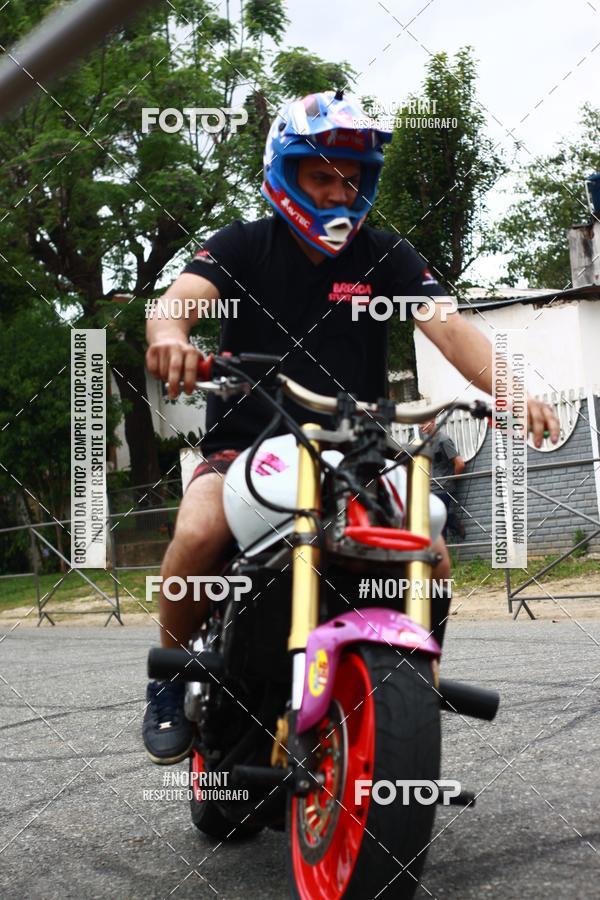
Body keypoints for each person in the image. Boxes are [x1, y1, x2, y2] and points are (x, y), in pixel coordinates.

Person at [142, 90, 560, 764]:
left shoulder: (386, 256)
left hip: (352, 449)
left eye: (351, 178)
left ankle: (406, 694)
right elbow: (177, 304)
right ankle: (168, 677)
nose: (338, 192)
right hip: (245, 447)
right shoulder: (243, 246)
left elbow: (451, 331)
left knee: (431, 550)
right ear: (286, 173)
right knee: (197, 531)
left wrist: (517, 391)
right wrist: (169, 339)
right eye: (321, 176)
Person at [419, 418, 465, 540]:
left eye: (423, 422)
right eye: (419, 423)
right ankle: (450, 519)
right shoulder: (424, 440)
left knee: (437, 523)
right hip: (429, 488)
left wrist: (450, 480)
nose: (420, 426)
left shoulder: (443, 440)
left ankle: (442, 552)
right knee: (431, 519)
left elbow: (460, 464)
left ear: (433, 422)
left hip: (442, 489)